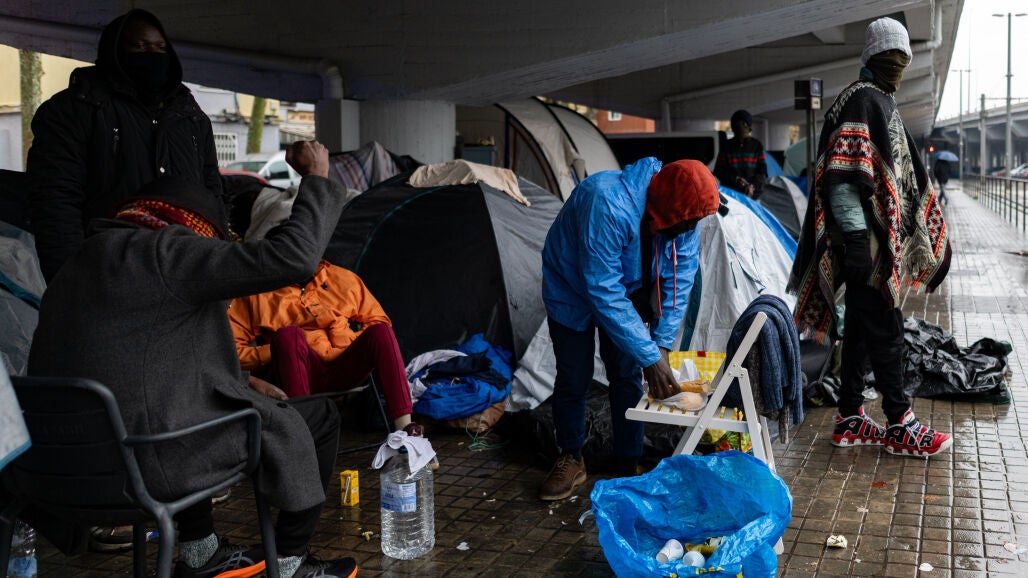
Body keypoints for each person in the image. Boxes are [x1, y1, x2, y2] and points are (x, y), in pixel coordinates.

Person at [28, 141, 359, 578]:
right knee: (315, 417)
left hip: (57, 471)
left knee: (190, 409)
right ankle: (291, 559)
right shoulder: (168, 250)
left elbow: (144, 361)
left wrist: (242, 380)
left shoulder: (81, 262)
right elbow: (294, 258)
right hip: (145, 467)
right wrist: (316, 177)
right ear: (194, 227)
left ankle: (202, 553)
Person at [788, 17, 953, 457]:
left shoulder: (872, 98)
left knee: (861, 329)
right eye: (891, 59)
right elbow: (844, 179)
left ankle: (850, 417)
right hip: (864, 246)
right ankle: (900, 423)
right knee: (887, 329)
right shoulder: (863, 100)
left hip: (866, 244)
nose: (898, 68)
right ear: (874, 58)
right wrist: (859, 241)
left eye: (903, 60)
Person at [538, 158, 720, 501]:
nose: (692, 228)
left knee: (626, 375)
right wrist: (650, 356)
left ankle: (628, 461)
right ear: (667, 209)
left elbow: (679, 280)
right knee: (574, 376)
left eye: (696, 222)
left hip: (626, 288)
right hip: (570, 288)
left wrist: (661, 345)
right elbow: (602, 288)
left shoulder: (684, 221)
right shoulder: (606, 203)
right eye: (689, 221)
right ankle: (571, 456)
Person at [26, 8, 222, 282]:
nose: (152, 55)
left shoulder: (190, 116)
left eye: (160, 48)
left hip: (185, 271)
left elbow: (212, 192)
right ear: (114, 51)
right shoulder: (73, 110)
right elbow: (55, 201)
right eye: (139, 46)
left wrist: (220, 263)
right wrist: (69, 280)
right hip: (109, 271)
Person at [227, 259, 417, 432]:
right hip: (295, 373)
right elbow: (230, 351)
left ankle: (406, 431)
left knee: (381, 332)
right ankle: (306, 436)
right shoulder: (258, 293)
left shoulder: (341, 278)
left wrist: (344, 339)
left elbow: (378, 320)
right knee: (288, 336)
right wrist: (276, 351)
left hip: (344, 368)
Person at [713, 109, 767, 198]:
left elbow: (762, 172)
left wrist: (752, 186)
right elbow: (719, 171)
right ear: (733, 127)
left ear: (748, 126)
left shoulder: (756, 145)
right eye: (738, 124)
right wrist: (736, 179)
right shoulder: (726, 146)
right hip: (732, 194)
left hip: (753, 195)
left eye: (744, 124)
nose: (741, 127)